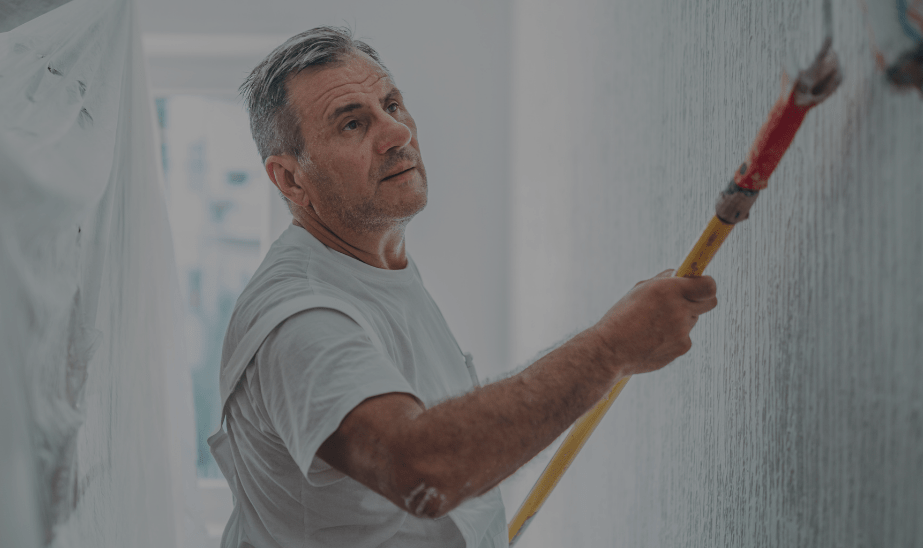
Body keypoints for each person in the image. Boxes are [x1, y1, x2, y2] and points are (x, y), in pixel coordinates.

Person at [210, 27, 717, 547]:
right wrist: (613, 347)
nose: (396, 134)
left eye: (392, 105)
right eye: (353, 123)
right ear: (290, 180)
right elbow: (422, 467)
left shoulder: (375, 266)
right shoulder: (300, 317)